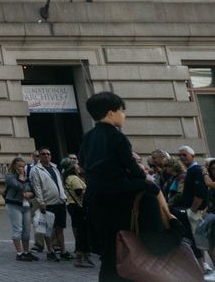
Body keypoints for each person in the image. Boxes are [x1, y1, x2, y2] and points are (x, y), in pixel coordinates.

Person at [78, 91, 172, 281]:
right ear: (111, 113)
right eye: (122, 110)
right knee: (152, 188)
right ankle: (169, 223)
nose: (124, 115)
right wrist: (143, 176)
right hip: (119, 194)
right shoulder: (117, 137)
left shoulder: (87, 137)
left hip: (96, 197)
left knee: (109, 253)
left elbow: (83, 163)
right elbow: (132, 167)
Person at [29, 148, 70, 261]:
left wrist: (64, 196)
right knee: (48, 229)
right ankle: (50, 251)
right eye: (43, 154)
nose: (46, 155)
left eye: (48, 154)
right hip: (47, 203)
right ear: (39, 156)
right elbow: (37, 187)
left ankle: (63, 251)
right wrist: (41, 202)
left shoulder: (55, 167)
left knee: (60, 227)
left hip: (60, 201)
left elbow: (60, 183)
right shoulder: (35, 170)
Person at [176, 145, 209, 261]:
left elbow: (199, 194)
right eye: (180, 155)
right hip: (192, 210)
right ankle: (203, 264)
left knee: (199, 239)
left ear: (192, 155)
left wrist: (192, 211)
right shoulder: (190, 170)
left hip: (196, 211)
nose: (182, 157)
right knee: (197, 239)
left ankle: (204, 264)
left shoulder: (196, 170)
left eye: (184, 155)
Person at [4, 156, 38, 262]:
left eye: (23, 166)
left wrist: (31, 194)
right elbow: (18, 186)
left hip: (26, 206)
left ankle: (26, 252)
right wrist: (21, 177)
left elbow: (33, 189)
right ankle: (19, 253)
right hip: (14, 205)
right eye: (19, 166)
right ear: (14, 166)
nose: (21, 168)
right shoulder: (10, 176)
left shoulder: (27, 177)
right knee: (17, 229)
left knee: (27, 231)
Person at [62, 156, 95, 268]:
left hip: (72, 206)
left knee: (81, 231)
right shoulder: (74, 178)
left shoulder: (66, 177)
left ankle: (84, 256)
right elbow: (79, 193)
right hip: (78, 207)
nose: (77, 165)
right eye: (75, 164)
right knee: (82, 232)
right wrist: (91, 190)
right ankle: (80, 258)